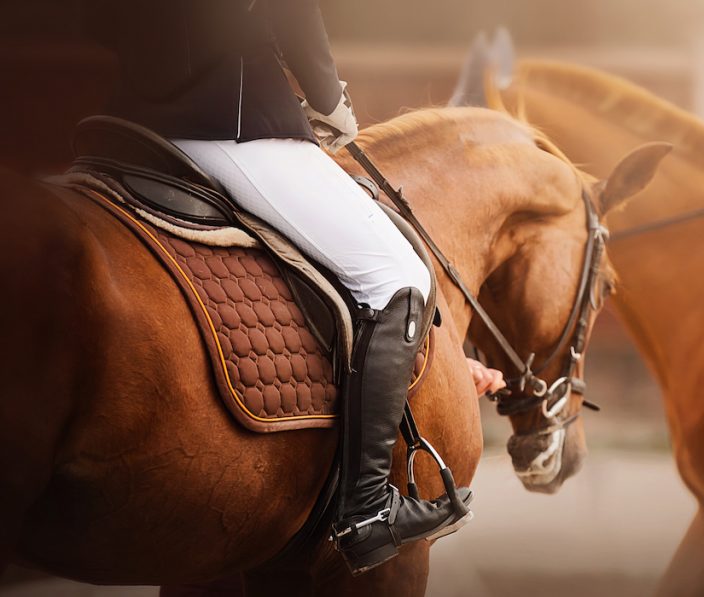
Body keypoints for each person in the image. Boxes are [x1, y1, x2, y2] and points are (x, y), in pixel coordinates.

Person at [92, 0, 503, 573]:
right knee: (398, 277)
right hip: (232, 124)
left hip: (128, 126)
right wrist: (330, 99)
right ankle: (366, 509)